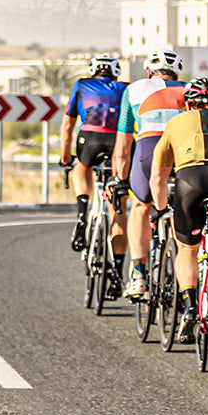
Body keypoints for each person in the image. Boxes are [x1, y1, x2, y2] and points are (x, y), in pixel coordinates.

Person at [148, 77, 208, 341]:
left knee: (188, 247)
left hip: (190, 181)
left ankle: (190, 305)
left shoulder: (175, 123)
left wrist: (161, 208)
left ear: (188, 103)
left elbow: (157, 177)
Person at [115, 49, 187, 299]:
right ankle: (185, 273)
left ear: (149, 72)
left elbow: (123, 147)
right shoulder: (190, 90)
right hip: (183, 150)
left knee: (140, 207)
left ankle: (138, 275)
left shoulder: (133, 89)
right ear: (177, 73)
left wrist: (120, 179)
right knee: (181, 210)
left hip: (147, 148)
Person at [59, 55, 128, 284]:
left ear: (92, 72)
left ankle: (82, 211)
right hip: (118, 143)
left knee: (82, 167)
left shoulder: (81, 85)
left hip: (90, 137)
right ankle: (117, 270)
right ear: (116, 73)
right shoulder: (126, 88)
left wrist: (65, 157)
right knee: (119, 211)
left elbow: (68, 125)